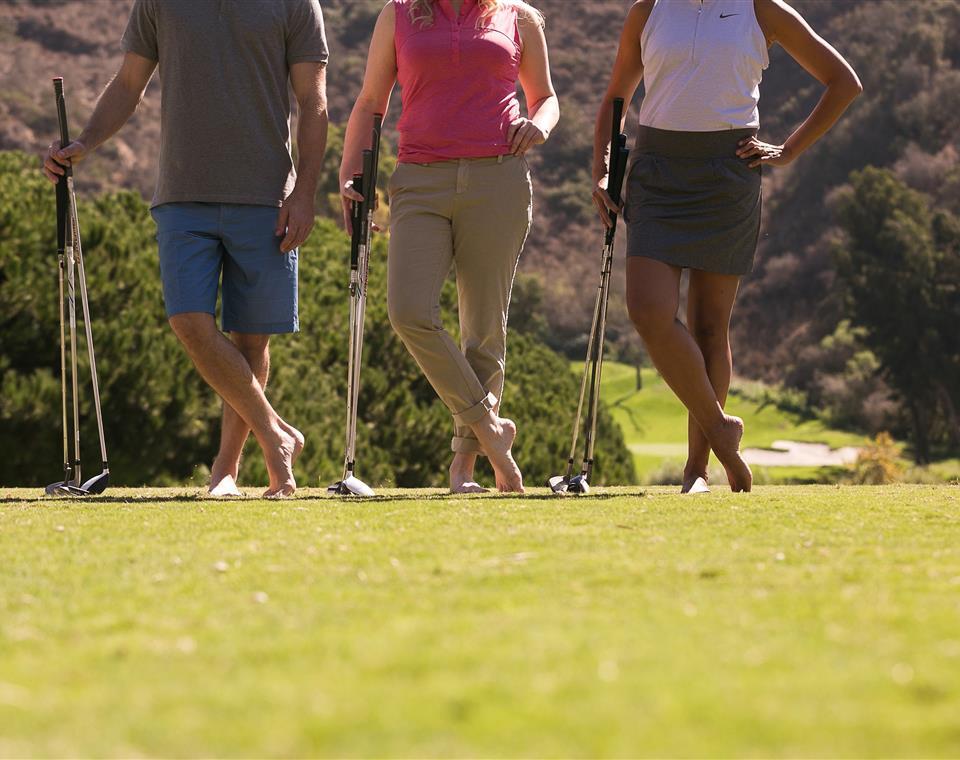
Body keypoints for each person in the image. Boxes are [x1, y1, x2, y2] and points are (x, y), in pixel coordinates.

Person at [42, 0, 331, 497]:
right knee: (188, 322)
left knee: (252, 341)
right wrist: (85, 143)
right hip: (181, 194)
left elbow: (314, 101)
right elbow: (129, 83)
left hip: (266, 197)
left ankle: (227, 470)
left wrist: (304, 194)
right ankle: (277, 436)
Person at [592, 0, 861, 493]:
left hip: (728, 173)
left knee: (711, 326)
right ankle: (722, 431)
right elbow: (616, 100)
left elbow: (843, 81)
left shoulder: (761, 8)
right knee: (648, 310)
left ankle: (698, 470)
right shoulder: (646, 10)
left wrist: (789, 149)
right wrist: (604, 171)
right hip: (657, 174)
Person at [340, 0, 559, 493]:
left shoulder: (519, 17)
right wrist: (349, 172)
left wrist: (540, 124)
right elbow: (371, 100)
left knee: (483, 329)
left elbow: (545, 96)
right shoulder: (398, 14)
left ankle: (465, 470)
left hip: (498, 178)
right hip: (419, 179)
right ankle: (491, 430)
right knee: (408, 310)